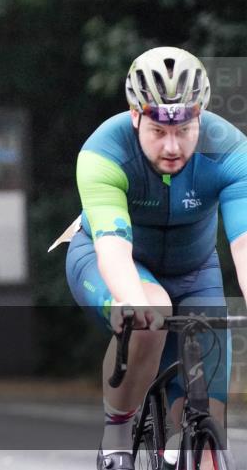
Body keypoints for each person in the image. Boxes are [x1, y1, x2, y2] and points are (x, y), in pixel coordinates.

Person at [58, 47, 247, 470]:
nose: (173, 145)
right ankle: (117, 437)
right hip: (111, 261)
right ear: (135, 117)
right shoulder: (103, 152)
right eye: (159, 130)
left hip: (196, 271)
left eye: (185, 128)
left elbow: (245, 245)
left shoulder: (232, 152)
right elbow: (113, 247)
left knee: (206, 424)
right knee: (152, 312)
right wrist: (133, 301)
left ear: (201, 116)